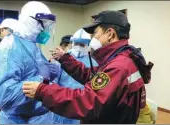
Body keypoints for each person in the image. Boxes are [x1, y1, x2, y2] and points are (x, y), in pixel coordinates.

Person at [22, 10, 154, 124]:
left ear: (110, 34)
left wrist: (43, 91)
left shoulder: (119, 66)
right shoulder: (121, 59)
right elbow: (91, 75)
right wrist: (65, 58)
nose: (93, 39)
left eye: (95, 33)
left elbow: (87, 101)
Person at [0, 1, 59, 124]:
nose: (44, 30)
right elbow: (4, 97)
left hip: (37, 117)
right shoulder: (9, 48)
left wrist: (47, 77)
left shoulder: (31, 44)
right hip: (19, 120)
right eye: (43, 25)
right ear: (30, 21)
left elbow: (34, 74)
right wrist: (42, 78)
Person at [52, 29, 98, 124]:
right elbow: (54, 80)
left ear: (88, 46)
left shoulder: (93, 63)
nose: (78, 47)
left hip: (79, 105)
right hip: (61, 101)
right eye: (76, 44)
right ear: (72, 43)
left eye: (82, 45)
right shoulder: (62, 58)